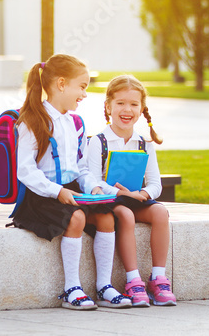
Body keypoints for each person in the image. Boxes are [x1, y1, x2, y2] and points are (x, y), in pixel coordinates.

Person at [10, 54, 138, 310]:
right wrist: (57, 192)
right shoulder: (33, 121)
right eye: (82, 87)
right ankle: (72, 288)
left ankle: (103, 287)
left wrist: (94, 187)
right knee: (77, 217)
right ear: (61, 84)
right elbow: (25, 170)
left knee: (106, 217)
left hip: (72, 192)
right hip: (42, 196)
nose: (84, 94)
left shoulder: (74, 123)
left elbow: (79, 169)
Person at [86, 74, 176, 307]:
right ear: (108, 106)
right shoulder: (99, 142)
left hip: (136, 198)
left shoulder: (144, 144)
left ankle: (158, 278)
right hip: (110, 200)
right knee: (125, 215)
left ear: (142, 108)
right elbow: (94, 181)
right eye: (120, 103)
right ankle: (133, 281)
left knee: (160, 213)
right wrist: (122, 194)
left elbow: (155, 183)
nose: (127, 110)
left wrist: (143, 195)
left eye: (134, 104)